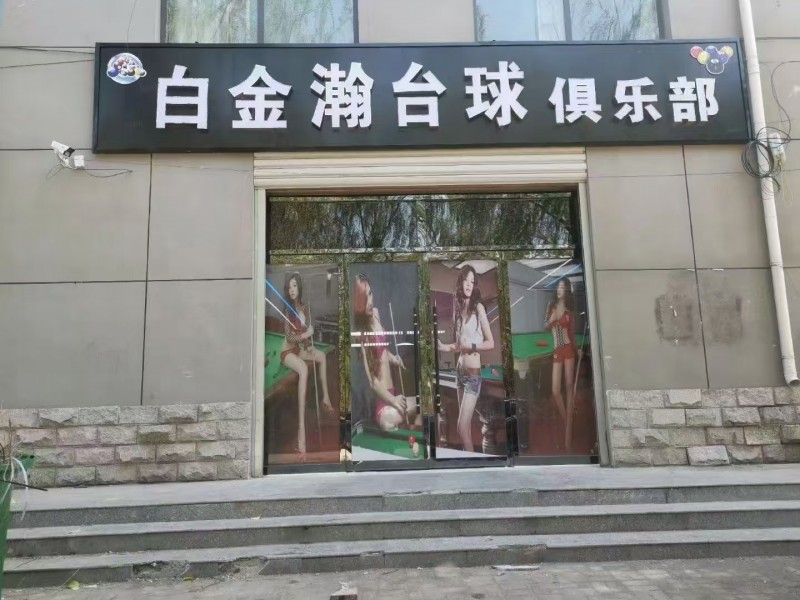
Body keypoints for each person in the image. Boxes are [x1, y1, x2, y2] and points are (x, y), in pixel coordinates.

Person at [437, 265, 494, 452]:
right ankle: (468, 461)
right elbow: (459, 346)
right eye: (466, 280)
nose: (469, 284)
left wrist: (472, 346)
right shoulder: (459, 311)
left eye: (472, 281)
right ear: (460, 283)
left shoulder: (479, 308)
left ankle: (472, 465)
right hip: (459, 372)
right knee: (464, 429)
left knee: (461, 428)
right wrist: (443, 346)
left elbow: (491, 342)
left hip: (473, 375)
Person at [353, 273, 418, 431]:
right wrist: (393, 400)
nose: (370, 301)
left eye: (370, 294)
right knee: (419, 405)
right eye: (365, 298)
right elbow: (372, 382)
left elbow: (382, 350)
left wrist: (394, 358)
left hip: (393, 395)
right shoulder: (362, 333)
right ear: (359, 301)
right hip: (384, 406)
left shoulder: (375, 313)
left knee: (420, 408)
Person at [280, 272, 334, 456]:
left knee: (321, 356)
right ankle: (301, 430)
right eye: (289, 287)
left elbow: (303, 335)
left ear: (299, 287)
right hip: (287, 352)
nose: (292, 290)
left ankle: (325, 398)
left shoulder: (304, 307)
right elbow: (290, 337)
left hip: (298, 349)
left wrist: (308, 345)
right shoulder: (287, 310)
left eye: (294, 285)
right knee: (303, 369)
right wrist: (306, 335)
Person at [545, 278, 579, 450]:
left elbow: (571, 335)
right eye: (558, 287)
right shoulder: (551, 306)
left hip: (568, 349)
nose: (559, 290)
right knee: (555, 390)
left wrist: (578, 349)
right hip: (557, 350)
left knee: (569, 386)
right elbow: (545, 326)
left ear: (567, 291)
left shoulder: (569, 312)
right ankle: (567, 422)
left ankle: (569, 432)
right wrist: (552, 318)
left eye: (563, 288)